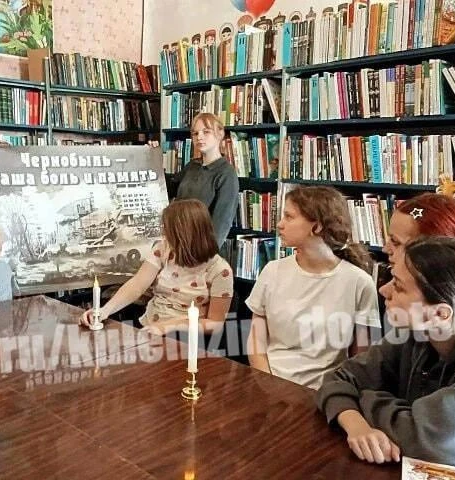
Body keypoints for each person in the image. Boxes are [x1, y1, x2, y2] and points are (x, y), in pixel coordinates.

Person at [316, 236, 455, 470]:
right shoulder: (419, 332)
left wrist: (366, 396)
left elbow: (435, 441)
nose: (383, 289)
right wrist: (356, 425)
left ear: (440, 314)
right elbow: (338, 378)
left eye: (398, 286)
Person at [246, 186, 380, 389]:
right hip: (269, 386)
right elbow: (256, 341)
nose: (280, 224)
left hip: (326, 393)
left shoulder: (359, 282)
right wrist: (269, 385)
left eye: (289, 217)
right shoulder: (272, 271)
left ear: (316, 227)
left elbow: (360, 359)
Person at [80, 199, 233, 336]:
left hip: (187, 339)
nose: (164, 234)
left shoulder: (220, 271)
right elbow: (137, 285)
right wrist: (104, 311)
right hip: (149, 327)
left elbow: (215, 324)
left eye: (168, 230)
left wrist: (169, 326)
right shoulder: (164, 249)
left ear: (184, 235)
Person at [173, 112, 239, 248]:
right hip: (177, 241)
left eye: (206, 132)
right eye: (195, 133)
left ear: (219, 134)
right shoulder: (192, 166)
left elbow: (221, 223)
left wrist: (205, 253)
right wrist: (152, 156)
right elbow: (165, 189)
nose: (199, 137)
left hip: (199, 248)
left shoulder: (226, 173)